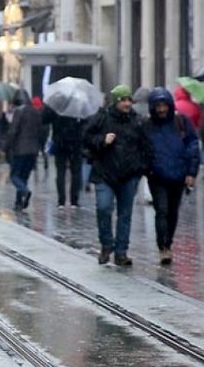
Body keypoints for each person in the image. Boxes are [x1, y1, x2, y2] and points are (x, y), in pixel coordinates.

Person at [84, 84, 153, 266]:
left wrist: (141, 168)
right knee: (104, 208)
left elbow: (147, 146)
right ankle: (107, 244)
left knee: (125, 214)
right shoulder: (102, 119)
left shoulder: (137, 121)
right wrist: (102, 140)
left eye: (129, 99)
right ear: (116, 101)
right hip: (104, 173)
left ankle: (121, 252)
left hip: (129, 175)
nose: (127, 103)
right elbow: (86, 139)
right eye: (123, 100)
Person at [144, 87, 200, 264]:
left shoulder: (181, 122)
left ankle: (168, 242)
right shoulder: (146, 125)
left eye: (164, 105)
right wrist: (146, 167)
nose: (161, 109)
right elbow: (140, 148)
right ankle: (163, 247)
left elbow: (193, 146)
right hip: (157, 175)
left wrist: (191, 172)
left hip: (178, 174)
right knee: (162, 210)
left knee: (173, 211)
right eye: (157, 106)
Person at [5, 89, 42, 211]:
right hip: (33, 150)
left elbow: (13, 131)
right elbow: (40, 131)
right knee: (23, 177)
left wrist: (6, 146)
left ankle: (24, 191)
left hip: (20, 150)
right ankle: (19, 202)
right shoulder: (36, 112)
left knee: (15, 176)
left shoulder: (18, 112)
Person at [43, 104, 85, 208]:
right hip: (75, 142)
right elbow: (85, 122)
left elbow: (44, 119)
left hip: (60, 142)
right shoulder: (77, 104)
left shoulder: (57, 105)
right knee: (76, 172)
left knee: (60, 171)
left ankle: (61, 201)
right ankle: (74, 201)